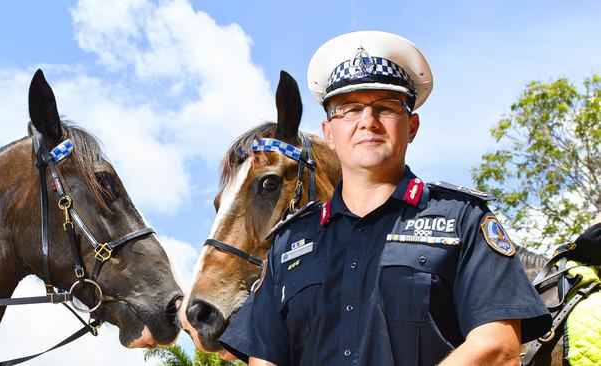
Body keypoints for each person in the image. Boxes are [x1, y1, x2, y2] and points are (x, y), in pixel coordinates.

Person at [219, 30, 551, 366]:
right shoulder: (288, 244)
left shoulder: (462, 220)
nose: (368, 122)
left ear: (412, 127)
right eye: (349, 109)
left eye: (386, 107)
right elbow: (264, 359)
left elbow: (497, 347)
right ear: (329, 133)